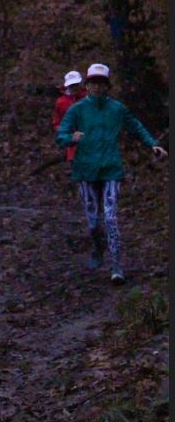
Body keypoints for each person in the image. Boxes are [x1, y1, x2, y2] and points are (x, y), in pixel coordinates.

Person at [55, 63, 167, 284]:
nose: (96, 87)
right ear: (86, 86)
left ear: (107, 86)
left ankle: (117, 266)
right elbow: (61, 135)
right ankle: (98, 246)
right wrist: (70, 139)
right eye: (93, 83)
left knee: (111, 216)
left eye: (101, 83)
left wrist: (152, 144)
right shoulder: (77, 109)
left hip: (111, 169)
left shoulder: (117, 108)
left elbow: (136, 126)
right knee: (93, 222)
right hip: (85, 170)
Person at [52, 70, 85, 165]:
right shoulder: (61, 102)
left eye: (76, 84)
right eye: (71, 85)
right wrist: (66, 134)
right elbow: (57, 123)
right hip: (73, 145)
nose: (74, 88)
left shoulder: (89, 97)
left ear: (80, 84)